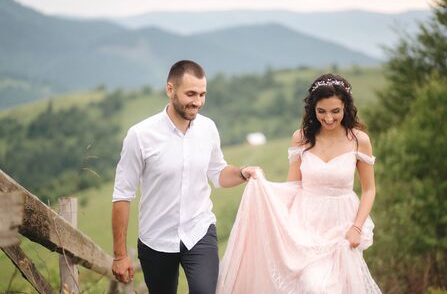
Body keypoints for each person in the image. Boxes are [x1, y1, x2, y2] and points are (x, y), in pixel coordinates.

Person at [217, 73, 382, 293]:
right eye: (321, 111)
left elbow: (369, 189)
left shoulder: (359, 140)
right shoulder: (301, 138)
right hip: (305, 225)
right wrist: (263, 186)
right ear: (312, 109)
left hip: (342, 225)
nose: (329, 118)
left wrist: (356, 227)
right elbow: (292, 186)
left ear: (346, 108)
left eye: (335, 111)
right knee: (313, 285)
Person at [111, 60, 259, 294]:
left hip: (199, 231)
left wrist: (242, 173)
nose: (198, 102)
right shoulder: (140, 136)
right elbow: (122, 195)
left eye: (202, 94)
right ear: (170, 90)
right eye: (191, 94)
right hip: (156, 239)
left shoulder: (208, 128)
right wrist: (120, 256)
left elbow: (218, 174)